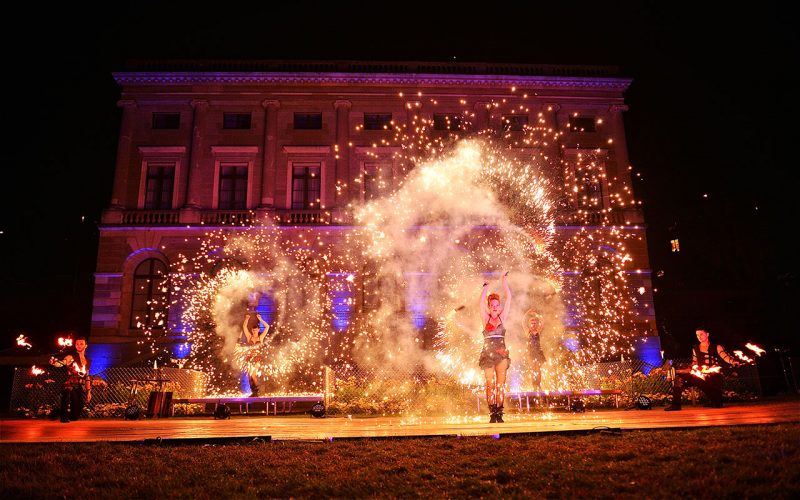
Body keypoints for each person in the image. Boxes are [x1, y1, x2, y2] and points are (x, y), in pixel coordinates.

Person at [664, 327, 739, 411]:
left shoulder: (716, 347)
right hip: (699, 376)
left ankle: (714, 401)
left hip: (713, 376)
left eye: (701, 334)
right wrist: (689, 369)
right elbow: (694, 363)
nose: (699, 337)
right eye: (697, 335)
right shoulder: (695, 348)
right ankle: (676, 405)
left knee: (718, 405)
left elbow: (726, 357)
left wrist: (733, 362)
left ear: (707, 334)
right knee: (679, 378)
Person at [479, 272, 512, 423]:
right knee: (490, 384)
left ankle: (499, 412)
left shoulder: (502, 318)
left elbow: (509, 298)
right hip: (488, 354)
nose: (494, 308)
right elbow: (480, 303)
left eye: (497, 305)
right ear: (489, 307)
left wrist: (504, 281)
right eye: (492, 305)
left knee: (500, 384)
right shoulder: (485, 319)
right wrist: (485, 287)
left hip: (501, 353)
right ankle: (492, 412)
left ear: (499, 307)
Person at [49, 337, 91, 423]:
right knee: (67, 394)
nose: (78, 345)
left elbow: (87, 376)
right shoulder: (71, 357)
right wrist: (55, 363)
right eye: (77, 344)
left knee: (76, 414)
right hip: (69, 384)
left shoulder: (87, 360)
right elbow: (62, 363)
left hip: (79, 386)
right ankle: (63, 417)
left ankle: (56, 413)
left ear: (86, 346)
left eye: (81, 344)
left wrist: (88, 391)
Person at [241, 312, 270, 397]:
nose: (254, 331)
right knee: (249, 376)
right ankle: (253, 392)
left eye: (255, 330)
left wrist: (260, 319)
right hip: (249, 358)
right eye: (253, 330)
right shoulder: (249, 337)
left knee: (253, 374)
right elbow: (244, 327)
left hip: (257, 358)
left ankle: (257, 391)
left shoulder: (260, 337)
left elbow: (267, 327)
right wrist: (246, 319)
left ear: (258, 330)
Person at [525, 309, 546, 390]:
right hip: (531, 352)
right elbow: (523, 322)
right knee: (533, 369)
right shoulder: (527, 331)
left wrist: (536, 315)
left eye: (534, 323)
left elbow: (542, 321)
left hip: (538, 351)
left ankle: (538, 385)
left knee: (538, 369)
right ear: (529, 324)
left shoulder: (538, 331)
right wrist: (527, 313)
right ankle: (534, 385)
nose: (533, 325)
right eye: (531, 323)